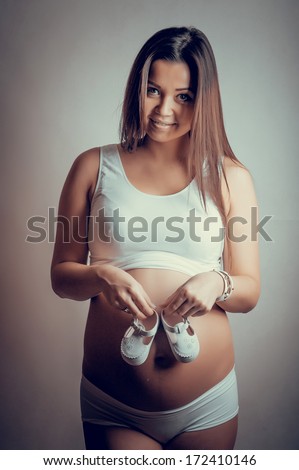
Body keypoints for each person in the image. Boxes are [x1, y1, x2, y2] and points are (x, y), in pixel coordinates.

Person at [51, 26, 260, 450]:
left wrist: (217, 282)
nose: (165, 109)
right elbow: (61, 277)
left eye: (183, 95)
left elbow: (250, 292)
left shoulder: (230, 178)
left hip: (207, 402)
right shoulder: (93, 167)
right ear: (136, 90)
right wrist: (102, 276)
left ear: (204, 99)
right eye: (152, 90)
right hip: (115, 404)